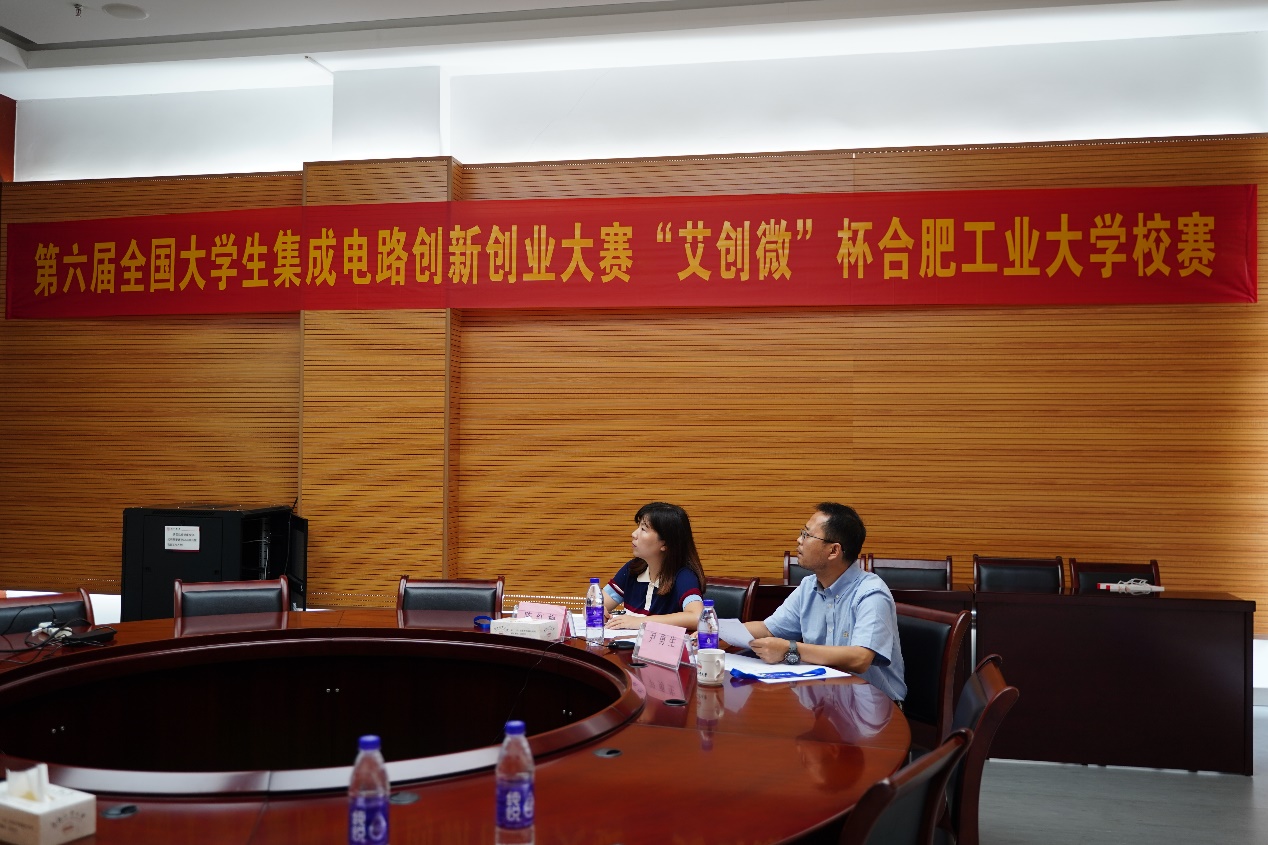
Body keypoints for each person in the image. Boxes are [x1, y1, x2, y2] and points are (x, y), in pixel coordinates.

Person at [743, 503, 906, 702]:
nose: (798, 540)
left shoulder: (871, 593)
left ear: (833, 551)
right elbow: (769, 629)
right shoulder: (808, 586)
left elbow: (860, 658)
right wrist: (717, 632)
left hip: (874, 705)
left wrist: (790, 649)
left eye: (807, 535)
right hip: (827, 700)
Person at [603, 502, 707, 631]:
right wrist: (598, 611)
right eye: (638, 526)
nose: (634, 534)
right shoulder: (632, 569)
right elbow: (595, 604)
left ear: (665, 544)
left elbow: (698, 617)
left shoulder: (683, 577)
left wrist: (640, 622)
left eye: (643, 529)